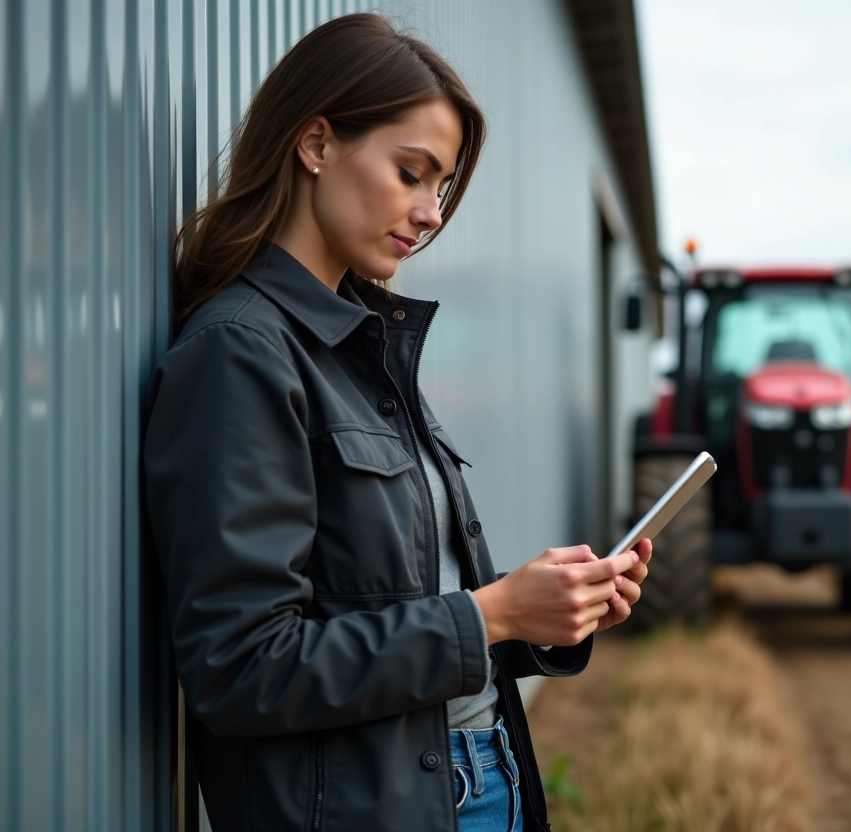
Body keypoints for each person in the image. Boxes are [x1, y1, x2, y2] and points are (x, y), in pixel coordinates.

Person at [143, 13, 651, 832]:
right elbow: (242, 667)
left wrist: (544, 612)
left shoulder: (359, 347)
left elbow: (392, 609)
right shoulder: (241, 353)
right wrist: (494, 613)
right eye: (412, 173)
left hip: (478, 780)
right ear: (315, 144)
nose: (431, 211)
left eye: (442, 187)